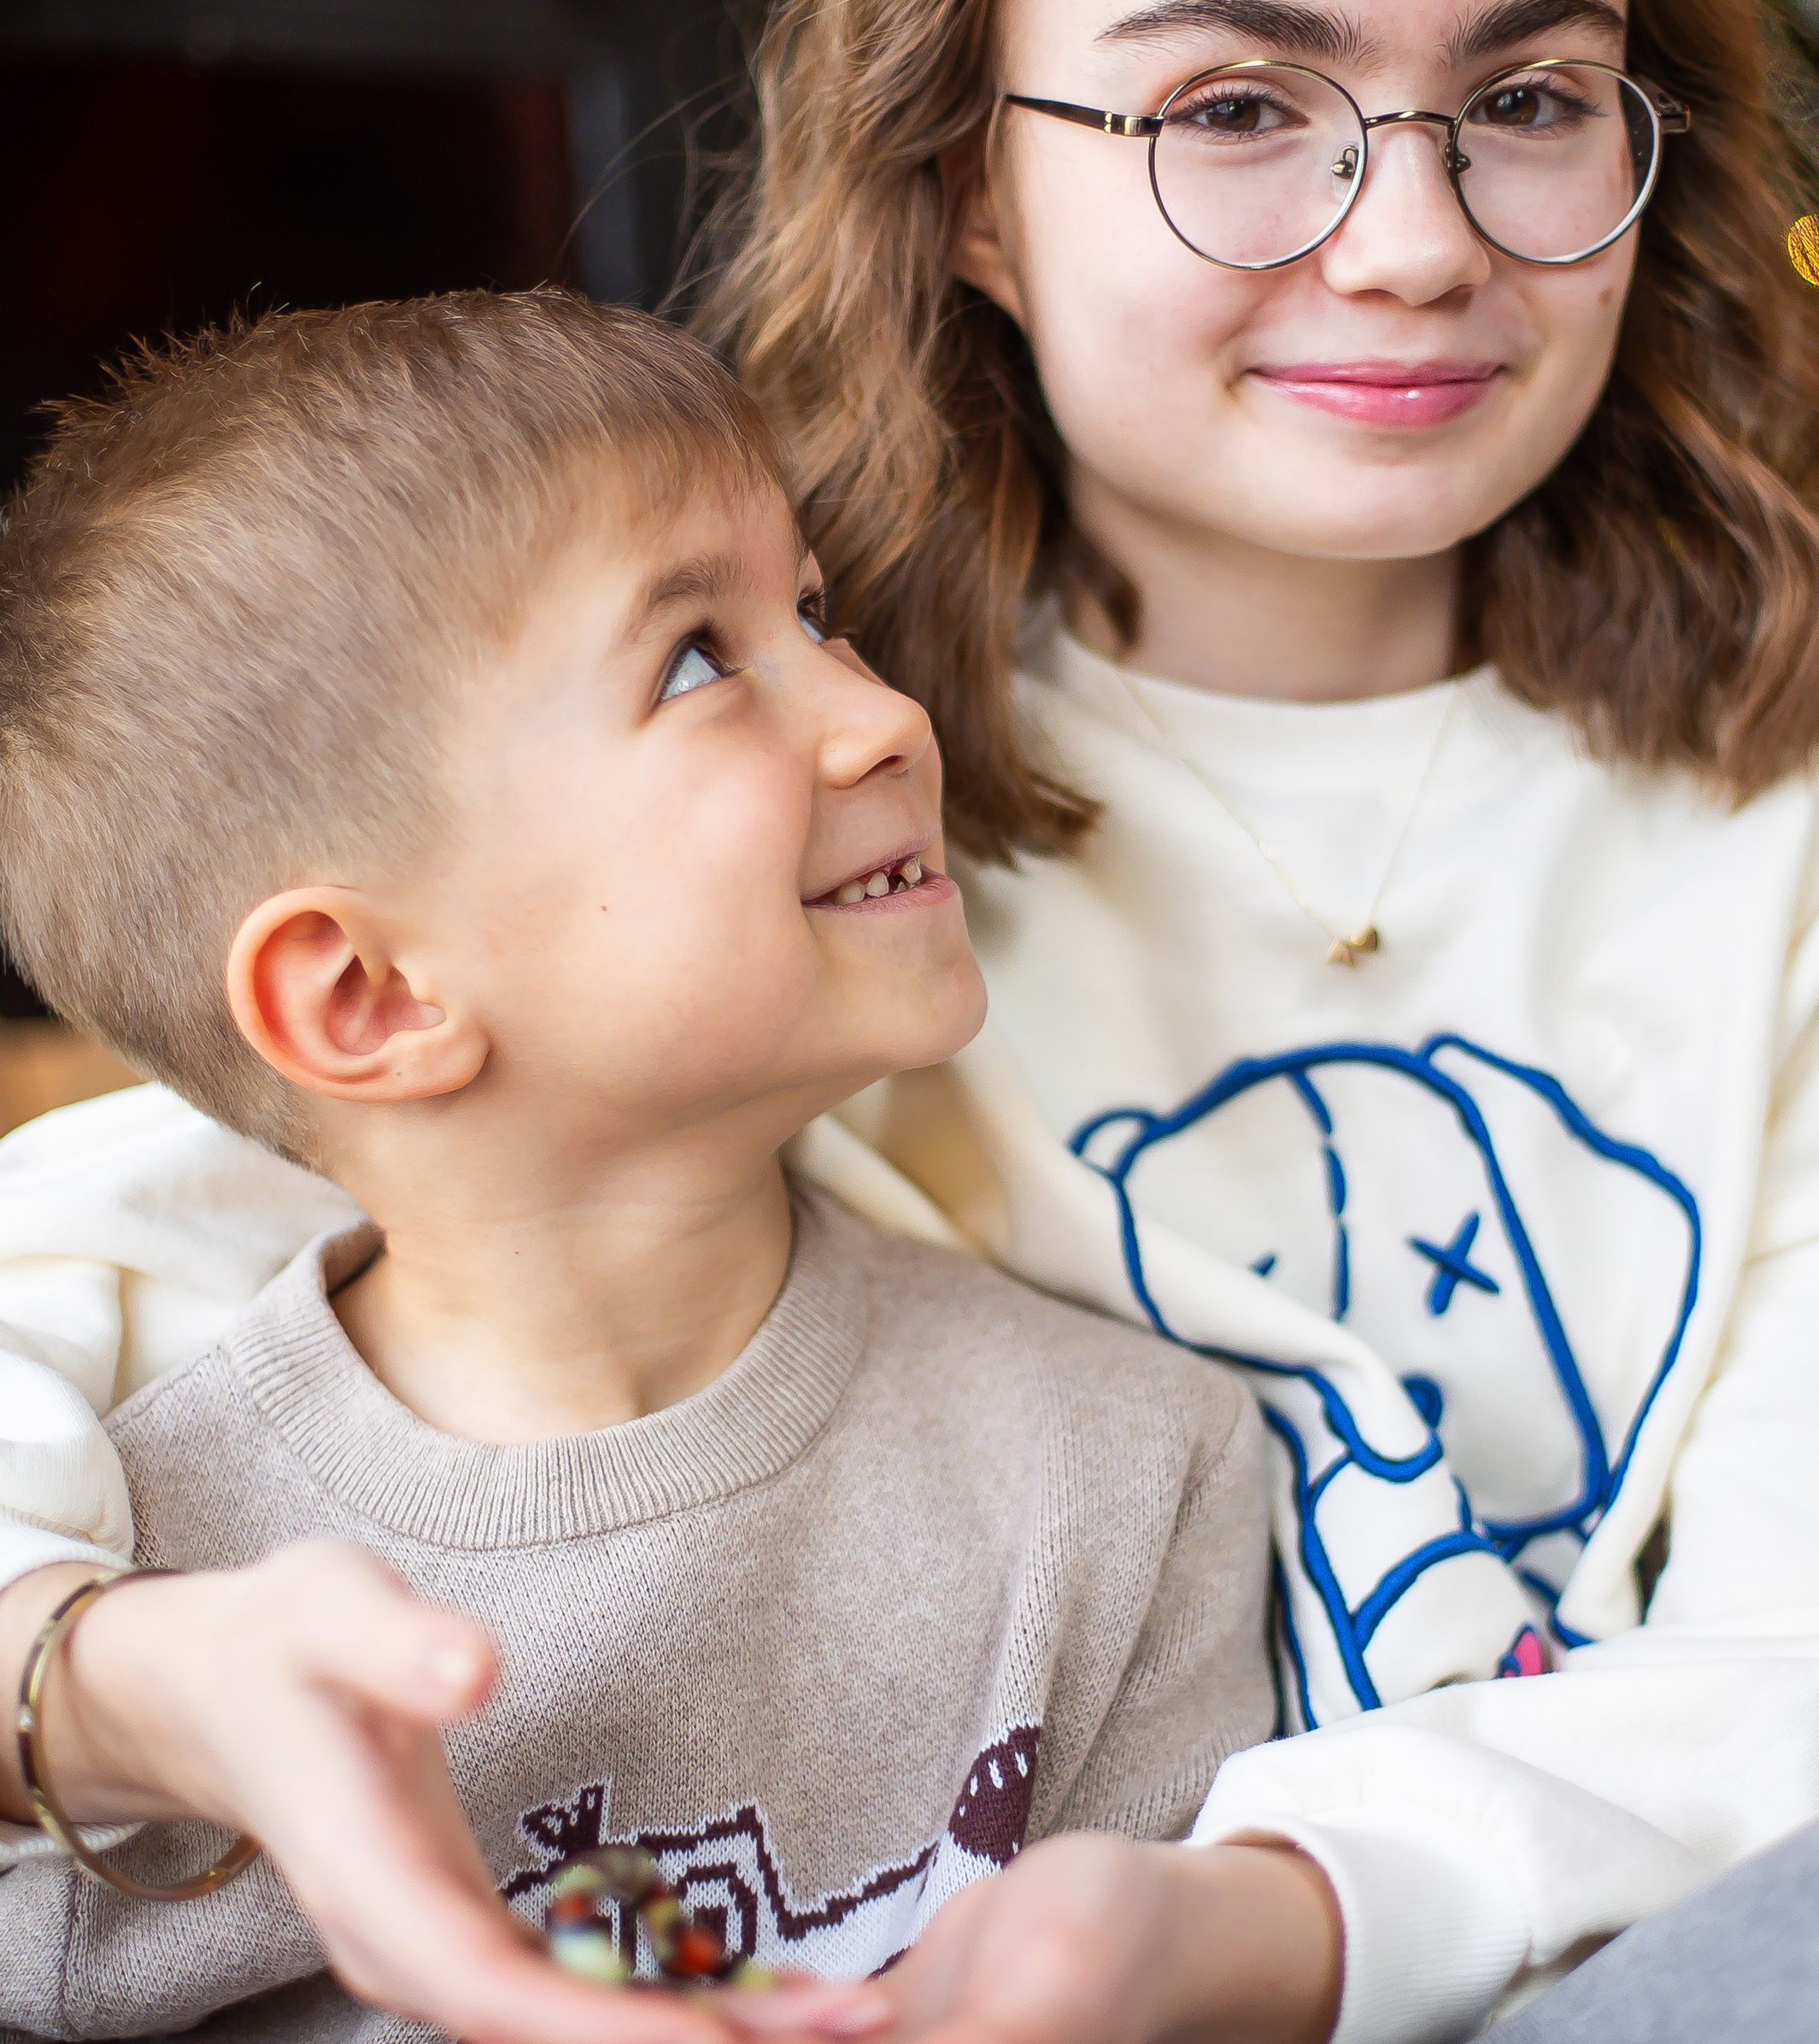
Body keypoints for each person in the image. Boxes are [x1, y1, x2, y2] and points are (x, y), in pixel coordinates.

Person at [0, 0, 1819, 2037]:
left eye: (1528, 96)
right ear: (960, 180)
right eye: (1233, 107)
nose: (1415, 244)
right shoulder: (769, 805)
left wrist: (1269, 1917)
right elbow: (184, 1204)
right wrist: (97, 1677)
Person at [0, 293, 1294, 2044]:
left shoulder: (1129, 1471)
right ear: (372, 994)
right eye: (699, 659)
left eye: (816, 616)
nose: (885, 716)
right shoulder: (129, 1568)